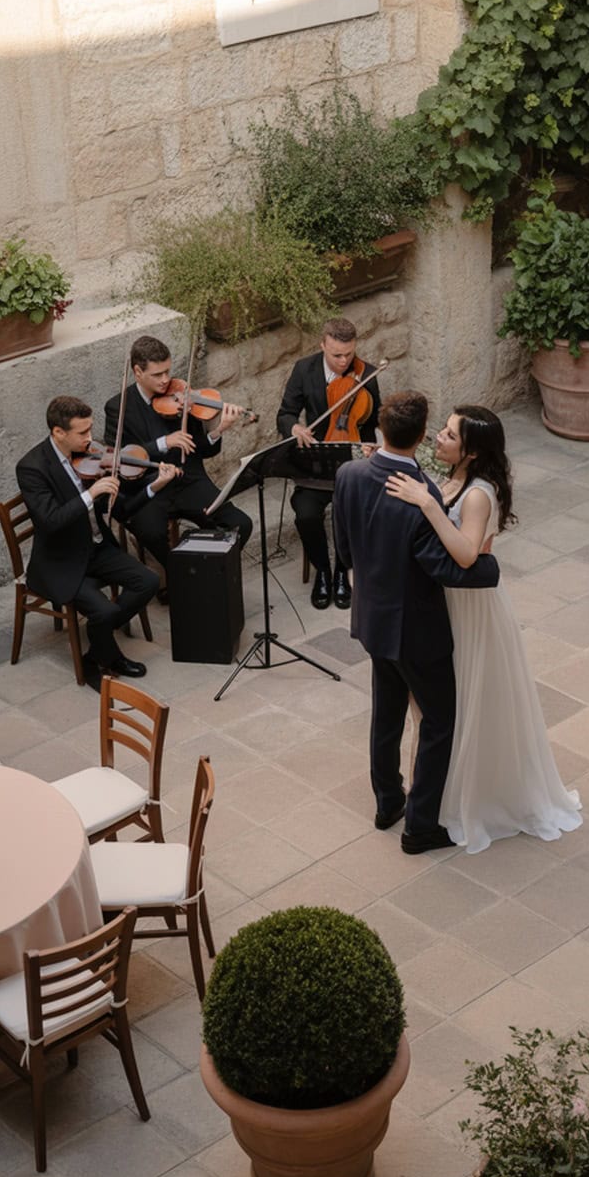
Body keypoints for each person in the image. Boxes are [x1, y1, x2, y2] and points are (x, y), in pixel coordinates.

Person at [386, 405, 582, 854]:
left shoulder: (478, 494)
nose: (438, 437)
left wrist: (428, 505)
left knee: (462, 702)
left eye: (449, 435)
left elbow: (467, 555)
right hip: (445, 604)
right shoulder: (452, 478)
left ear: (471, 452)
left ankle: (464, 799)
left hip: (470, 608)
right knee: (440, 706)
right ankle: (433, 794)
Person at [332, 391, 500, 854]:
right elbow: (447, 568)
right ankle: (420, 826)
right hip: (416, 630)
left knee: (385, 713)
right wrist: (489, 566)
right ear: (423, 435)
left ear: (380, 430)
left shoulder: (348, 473)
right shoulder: (418, 494)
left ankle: (388, 803)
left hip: (371, 619)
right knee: (440, 721)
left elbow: (344, 547)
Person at [16, 395, 179, 692]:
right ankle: (104, 659)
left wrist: (154, 487)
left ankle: (97, 650)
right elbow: (50, 520)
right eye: (82, 433)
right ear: (58, 433)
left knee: (148, 581)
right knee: (102, 612)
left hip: (96, 547)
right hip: (61, 559)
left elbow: (121, 510)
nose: (90, 439)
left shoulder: (92, 457)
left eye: (91, 429)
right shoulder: (31, 468)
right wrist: (90, 495)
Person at [104, 334, 253, 570]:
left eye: (168, 372)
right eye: (157, 375)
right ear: (137, 372)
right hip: (151, 488)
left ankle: (210, 573)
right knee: (150, 533)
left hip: (189, 481)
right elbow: (119, 459)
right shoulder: (119, 407)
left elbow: (203, 451)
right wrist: (164, 442)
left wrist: (218, 430)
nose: (165, 380)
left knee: (241, 524)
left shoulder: (182, 395)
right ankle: (179, 576)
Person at [276, 317, 381, 611]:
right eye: (336, 355)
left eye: (349, 353)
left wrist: (370, 446)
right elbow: (285, 413)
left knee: (348, 513)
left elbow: (371, 422)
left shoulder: (367, 374)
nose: (344, 360)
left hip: (353, 464)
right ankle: (322, 569)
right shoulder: (304, 369)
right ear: (323, 345)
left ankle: (341, 572)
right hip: (316, 463)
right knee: (305, 514)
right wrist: (294, 429)